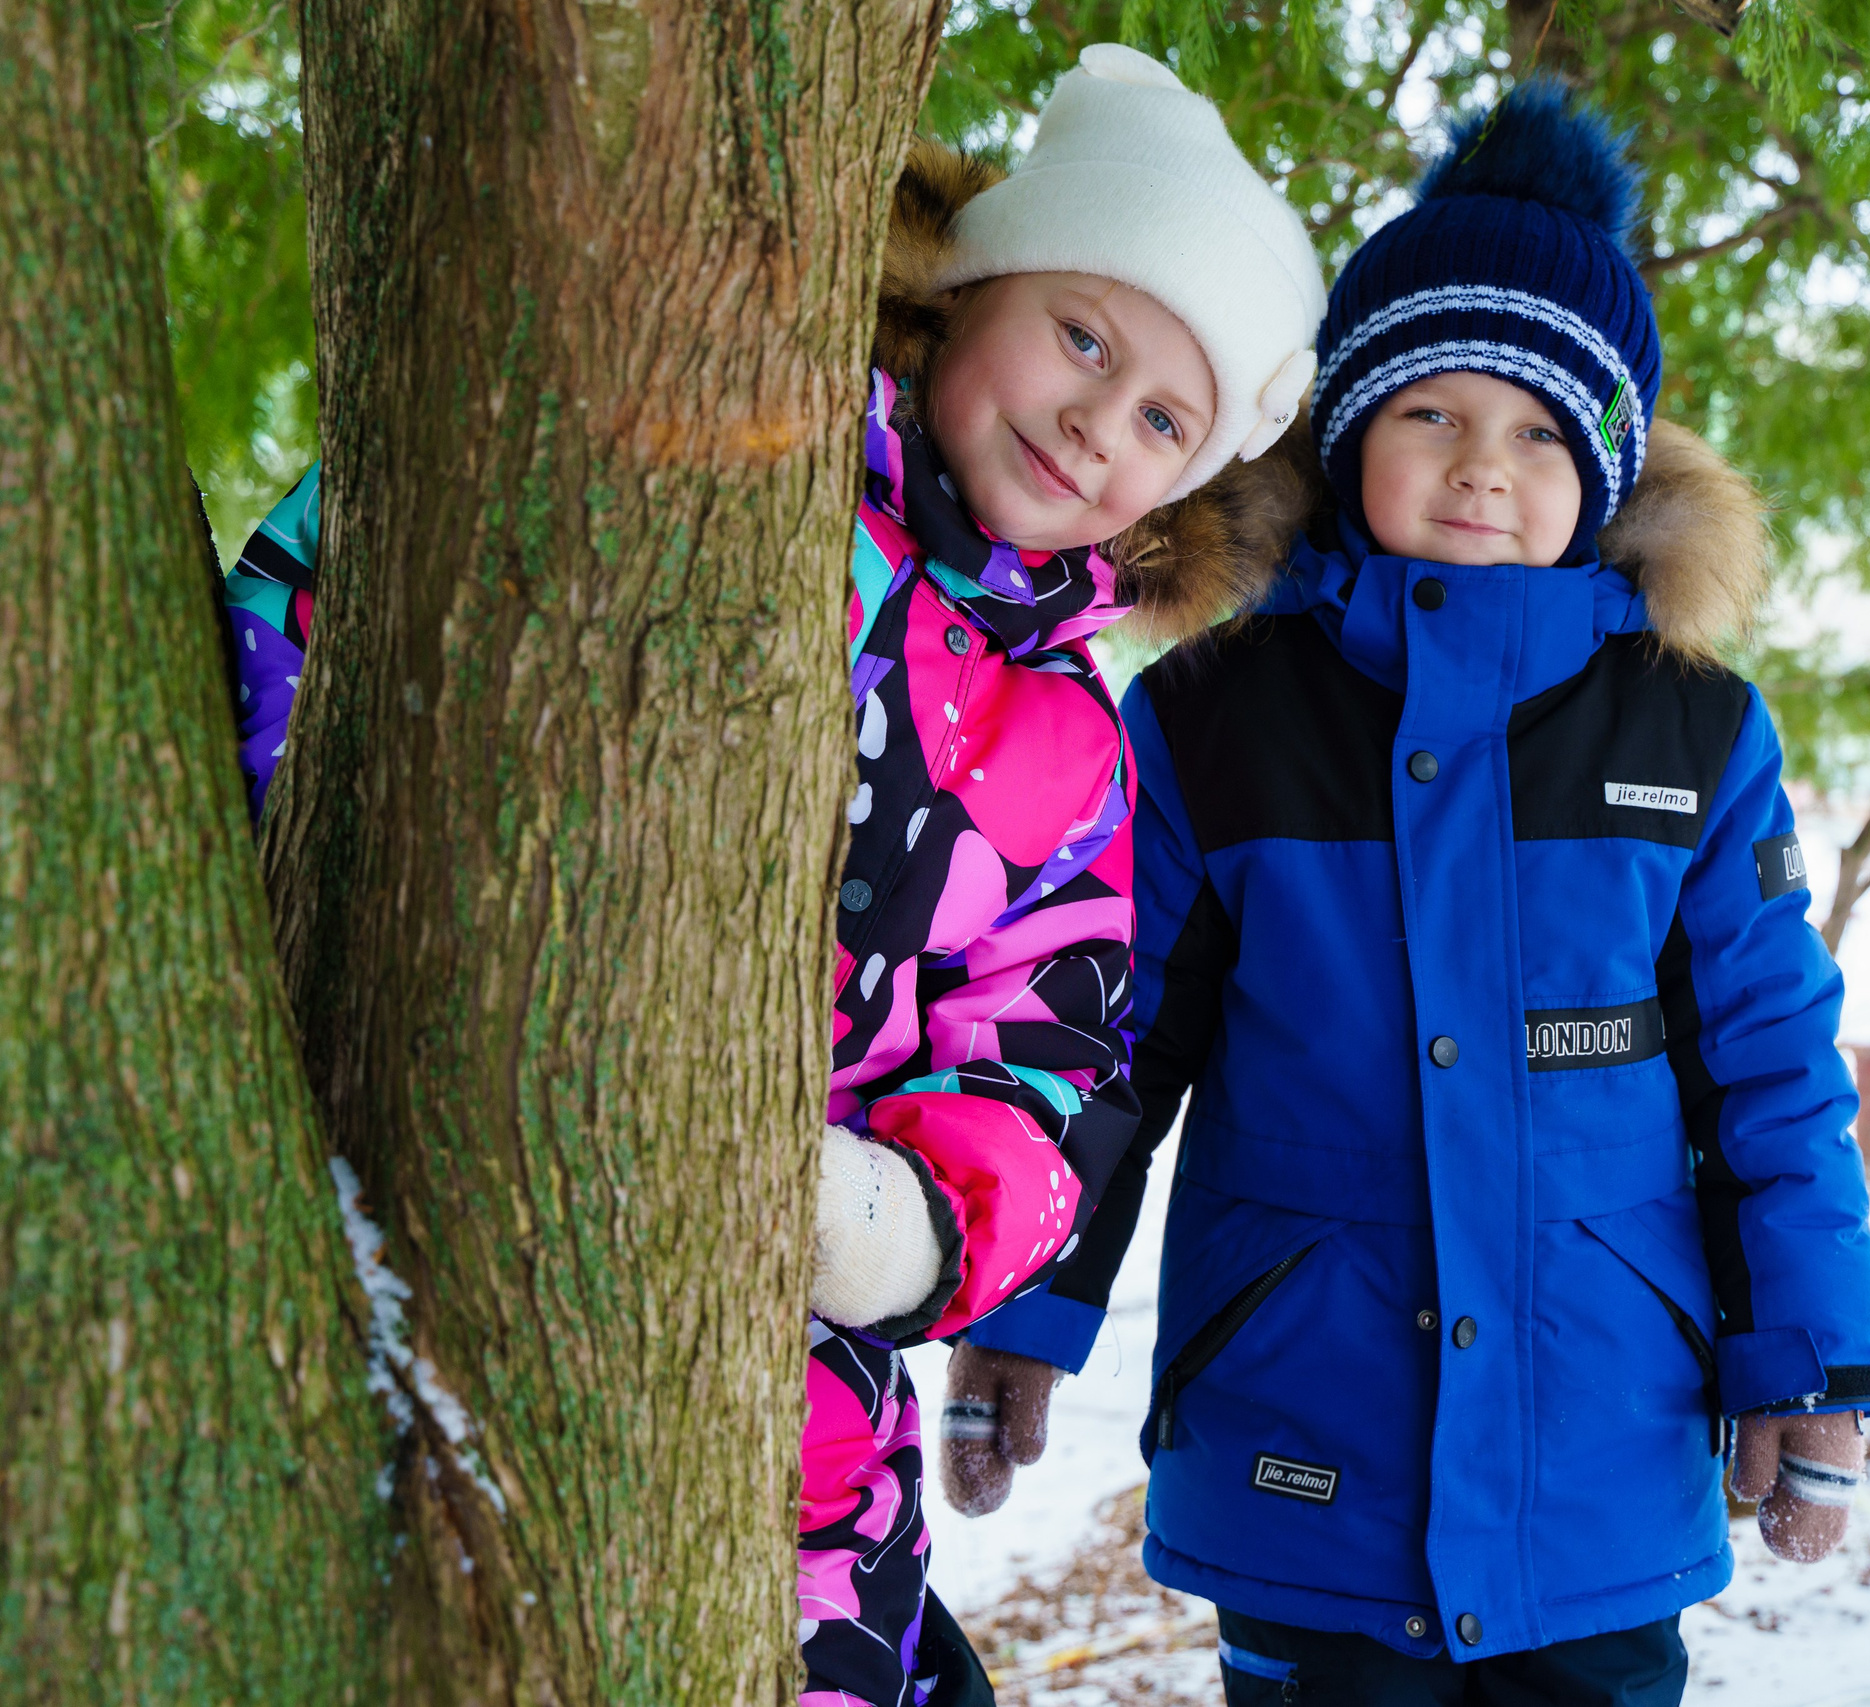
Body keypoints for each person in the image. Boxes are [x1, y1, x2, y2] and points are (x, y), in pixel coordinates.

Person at [216, 44, 1325, 1707]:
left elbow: (1055, 1054)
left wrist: (912, 1226)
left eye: (1165, 413)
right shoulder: (711, 463)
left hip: (792, 1354)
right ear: (970, 290)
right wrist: (280, 858)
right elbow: (333, 602)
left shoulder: (1072, 745)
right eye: (1082, 335)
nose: (1098, 421)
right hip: (433, 1166)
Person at [949, 82, 1870, 1705]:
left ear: (1599, 467)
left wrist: (1805, 1358)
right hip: (1306, 1428)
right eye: (1430, 414)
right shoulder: (1216, 713)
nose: (1482, 469)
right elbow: (1109, 1049)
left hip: (1598, 1445)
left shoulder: (1687, 728)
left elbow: (1771, 1070)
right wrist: (1023, 1321)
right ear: (1353, 431)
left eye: (1536, 430)